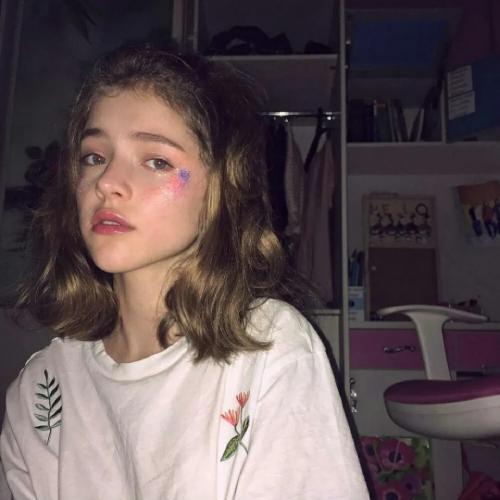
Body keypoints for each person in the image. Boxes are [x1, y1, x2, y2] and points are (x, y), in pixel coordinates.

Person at [0, 46, 369, 499]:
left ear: (219, 190)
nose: (106, 182)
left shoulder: (269, 348)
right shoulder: (40, 390)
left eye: (157, 161)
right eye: (94, 156)